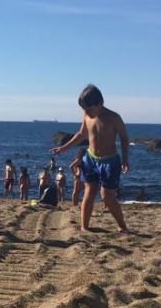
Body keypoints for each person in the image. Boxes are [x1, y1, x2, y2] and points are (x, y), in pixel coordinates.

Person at [51, 85, 130, 234]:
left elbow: (124, 138)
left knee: (107, 196)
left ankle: (122, 226)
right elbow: (81, 134)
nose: (86, 112)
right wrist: (64, 148)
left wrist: (125, 160)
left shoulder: (114, 118)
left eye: (88, 109)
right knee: (89, 191)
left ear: (100, 103)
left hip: (110, 161)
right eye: (83, 110)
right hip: (91, 159)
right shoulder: (87, 116)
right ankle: (84, 227)